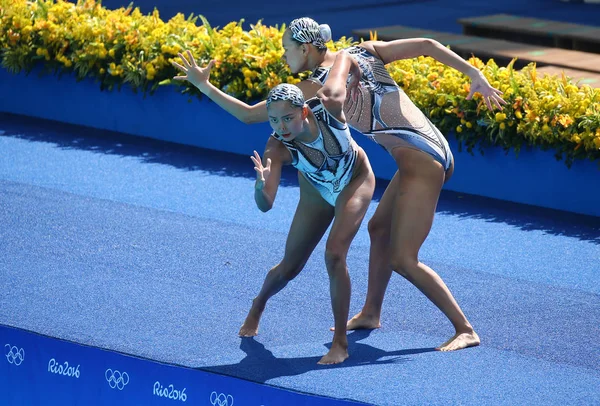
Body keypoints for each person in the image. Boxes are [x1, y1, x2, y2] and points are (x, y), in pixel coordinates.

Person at [172, 17, 506, 351]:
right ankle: (371, 312)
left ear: (305, 48)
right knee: (379, 229)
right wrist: (473, 74)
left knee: (403, 259)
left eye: (287, 49)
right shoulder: (364, 50)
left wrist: (203, 85)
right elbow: (426, 46)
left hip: (421, 162)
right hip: (428, 150)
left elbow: (248, 115)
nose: (284, 57)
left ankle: (465, 328)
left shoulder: (312, 89)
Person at [176, 51, 376, 364]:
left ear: (305, 112)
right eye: (273, 120)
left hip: (356, 180)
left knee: (334, 254)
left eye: (287, 118)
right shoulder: (276, 146)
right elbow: (266, 205)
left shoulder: (331, 103)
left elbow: (345, 58)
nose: (280, 126)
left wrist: (356, 73)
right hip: (318, 189)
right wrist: (260, 186)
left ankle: (339, 342)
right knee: (289, 267)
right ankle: (258, 303)